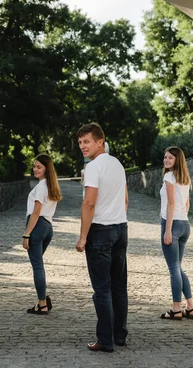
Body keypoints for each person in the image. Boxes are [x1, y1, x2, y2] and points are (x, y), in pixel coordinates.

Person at [75, 123, 129, 353]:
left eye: (87, 141)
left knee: (102, 289)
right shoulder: (117, 164)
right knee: (119, 287)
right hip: (120, 229)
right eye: (80, 143)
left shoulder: (94, 167)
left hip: (100, 231)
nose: (82, 146)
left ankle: (105, 340)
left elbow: (89, 203)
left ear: (100, 141)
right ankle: (119, 335)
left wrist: (83, 236)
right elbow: (125, 199)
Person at [158, 146, 193, 321]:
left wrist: (168, 230)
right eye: (165, 157)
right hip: (185, 225)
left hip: (172, 224)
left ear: (177, 160)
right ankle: (190, 306)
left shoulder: (169, 177)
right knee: (178, 268)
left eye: (170, 158)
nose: (166, 160)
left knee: (173, 269)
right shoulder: (185, 178)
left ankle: (176, 309)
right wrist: (182, 219)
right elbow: (187, 204)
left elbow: (171, 204)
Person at [24, 154, 62, 314]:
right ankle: (42, 300)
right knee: (38, 264)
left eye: (39, 167)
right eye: (34, 166)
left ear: (47, 169)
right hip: (48, 227)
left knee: (37, 267)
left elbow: (36, 212)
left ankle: (42, 304)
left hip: (38, 226)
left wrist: (26, 234)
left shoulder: (41, 187)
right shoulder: (51, 186)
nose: (35, 169)